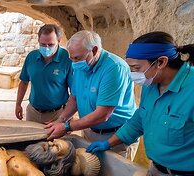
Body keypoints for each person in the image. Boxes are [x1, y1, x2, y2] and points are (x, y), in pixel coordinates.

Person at [87, 31, 194, 176]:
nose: (134, 73)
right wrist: (109, 142)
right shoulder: (152, 84)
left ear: (161, 62)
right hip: (156, 172)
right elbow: (139, 119)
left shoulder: (192, 90)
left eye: (136, 67)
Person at [45, 30, 138, 161]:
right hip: (89, 130)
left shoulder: (114, 68)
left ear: (94, 50)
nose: (74, 62)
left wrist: (67, 127)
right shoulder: (80, 66)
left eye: (77, 58)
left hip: (115, 136)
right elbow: (75, 98)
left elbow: (103, 114)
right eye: (71, 58)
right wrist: (61, 119)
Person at [16, 24, 72, 124]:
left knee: (58, 140)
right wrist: (18, 104)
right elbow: (24, 82)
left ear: (58, 41)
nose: (46, 48)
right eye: (42, 44)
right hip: (33, 112)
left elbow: (74, 91)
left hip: (57, 114)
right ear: (38, 41)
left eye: (50, 45)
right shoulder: (31, 57)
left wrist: (66, 115)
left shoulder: (67, 58)